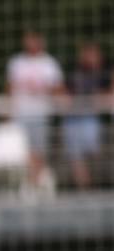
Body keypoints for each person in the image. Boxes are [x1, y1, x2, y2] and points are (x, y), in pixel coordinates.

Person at [7, 29, 65, 195]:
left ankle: (36, 180)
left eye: (32, 39)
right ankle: (33, 180)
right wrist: (8, 112)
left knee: (39, 148)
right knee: (25, 150)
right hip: (21, 113)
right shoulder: (17, 62)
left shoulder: (49, 63)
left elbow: (58, 87)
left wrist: (41, 87)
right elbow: (10, 88)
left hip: (41, 113)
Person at [63, 42, 111, 190]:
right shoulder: (75, 72)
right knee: (75, 154)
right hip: (74, 116)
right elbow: (65, 92)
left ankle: (96, 184)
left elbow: (108, 93)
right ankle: (84, 187)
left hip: (92, 117)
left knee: (92, 151)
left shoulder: (105, 72)